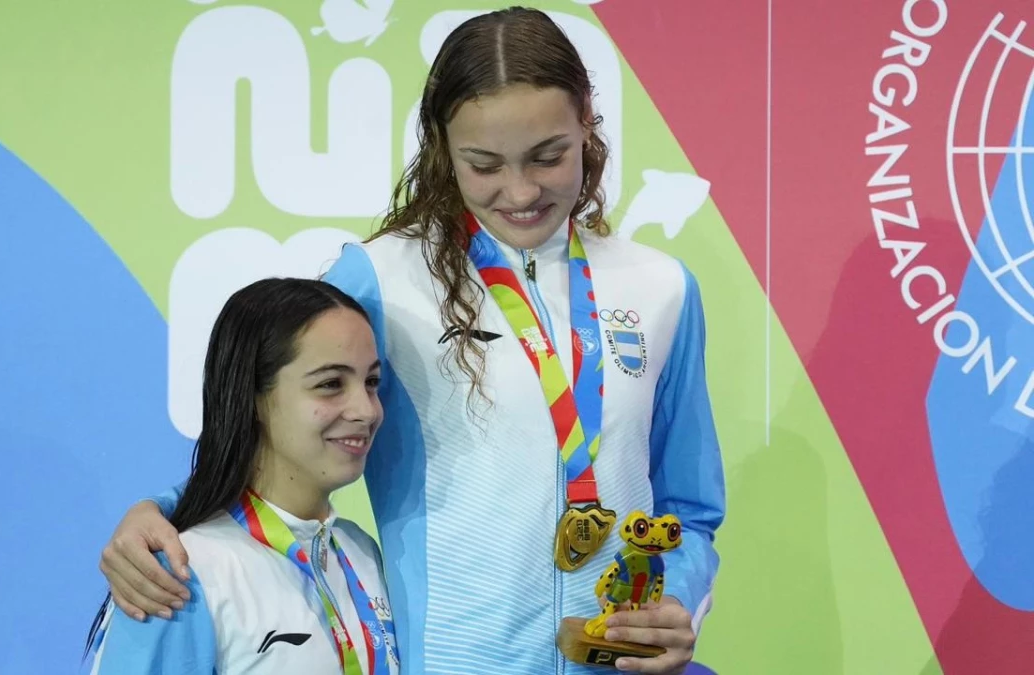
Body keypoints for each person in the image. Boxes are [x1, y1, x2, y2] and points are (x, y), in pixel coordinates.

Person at [98, 7, 725, 674]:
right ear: (441, 149)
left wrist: (677, 599)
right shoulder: (381, 278)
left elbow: (690, 508)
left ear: (587, 128)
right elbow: (277, 424)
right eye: (484, 164)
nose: (520, 190)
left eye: (550, 156)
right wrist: (161, 512)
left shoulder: (661, 289)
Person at [84, 278, 400, 674]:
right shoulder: (180, 571)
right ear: (252, 397)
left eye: (371, 382)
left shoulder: (361, 552)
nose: (366, 411)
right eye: (330, 384)